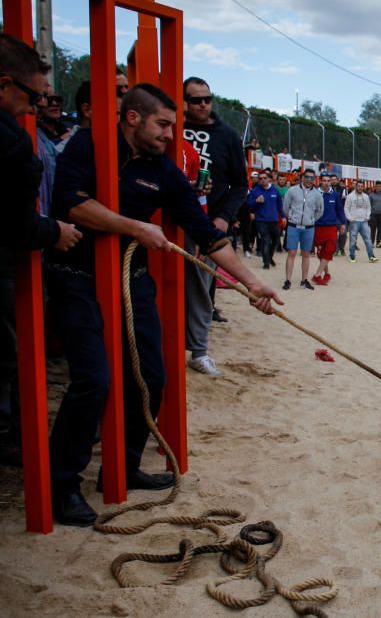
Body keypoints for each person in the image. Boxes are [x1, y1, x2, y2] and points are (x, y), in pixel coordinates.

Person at [47, 83, 282, 526]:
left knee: (152, 375)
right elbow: (71, 204)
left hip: (130, 279)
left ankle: (126, 466)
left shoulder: (164, 169)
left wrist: (252, 284)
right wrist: (134, 227)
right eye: (163, 124)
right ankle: (62, 484)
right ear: (132, 118)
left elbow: (206, 233)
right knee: (93, 379)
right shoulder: (89, 145)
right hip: (76, 276)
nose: (170, 135)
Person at [0, 34, 82, 466]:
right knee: (9, 353)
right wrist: (53, 232)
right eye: (31, 96)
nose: (35, 107)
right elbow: (13, 222)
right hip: (9, 261)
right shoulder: (12, 142)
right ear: (3, 85)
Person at [181, 77, 248, 375]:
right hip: (170, 217)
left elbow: (240, 186)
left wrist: (222, 219)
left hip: (209, 222)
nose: (203, 104)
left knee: (201, 286)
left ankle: (199, 350)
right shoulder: (170, 128)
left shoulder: (228, 136)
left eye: (207, 98)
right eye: (195, 100)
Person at [281, 170, 323, 290]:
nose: (309, 180)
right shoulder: (292, 191)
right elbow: (286, 207)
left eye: (312, 177)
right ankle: (288, 280)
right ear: (302, 177)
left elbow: (320, 210)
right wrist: (292, 217)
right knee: (291, 253)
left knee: (306, 254)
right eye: (307, 177)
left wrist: (311, 220)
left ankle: (304, 280)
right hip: (294, 226)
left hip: (308, 227)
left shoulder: (317, 194)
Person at [312, 172, 346, 285]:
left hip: (331, 226)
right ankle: (327, 273)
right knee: (321, 252)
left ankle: (317, 275)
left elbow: (340, 209)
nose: (326, 183)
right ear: (320, 181)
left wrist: (343, 223)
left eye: (328, 181)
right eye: (324, 180)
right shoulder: (315, 193)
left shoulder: (335, 195)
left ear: (331, 182)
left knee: (330, 249)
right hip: (318, 226)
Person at [246, 170, 283, 269]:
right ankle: (266, 262)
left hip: (274, 220)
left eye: (264, 178)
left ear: (269, 179)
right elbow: (248, 203)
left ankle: (269, 257)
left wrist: (283, 216)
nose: (262, 180)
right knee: (265, 241)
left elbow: (279, 205)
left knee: (276, 241)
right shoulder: (255, 190)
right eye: (260, 178)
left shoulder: (275, 190)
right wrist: (256, 201)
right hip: (261, 221)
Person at [345, 179, 377, 263]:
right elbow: (346, 208)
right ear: (355, 186)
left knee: (368, 240)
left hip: (364, 221)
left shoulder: (366, 196)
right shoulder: (350, 196)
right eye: (358, 186)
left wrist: (368, 216)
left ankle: (371, 256)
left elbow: (368, 207)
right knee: (353, 240)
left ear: (363, 187)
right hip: (354, 221)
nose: (360, 188)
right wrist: (350, 218)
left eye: (361, 186)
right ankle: (352, 256)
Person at [367, 181, 381, 247]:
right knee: (373, 230)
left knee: (380, 230)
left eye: (380, 186)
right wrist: (368, 215)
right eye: (377, 186)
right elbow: (368, 206)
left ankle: (378, 243)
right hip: (373, 215)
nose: (378, 188)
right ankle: (371, 243)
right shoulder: (371, 195)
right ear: (375, 187)